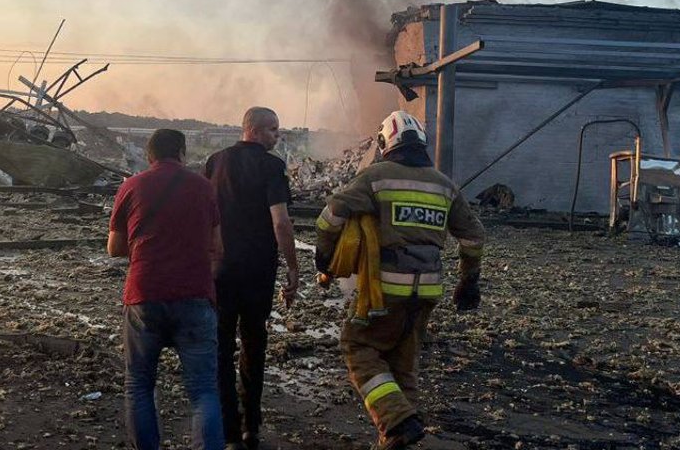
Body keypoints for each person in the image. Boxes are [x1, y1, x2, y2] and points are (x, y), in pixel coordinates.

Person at [315, 110, 486, 450]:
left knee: (358, 345)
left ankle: (397, 420)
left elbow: (332, 214)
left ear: (385, 143)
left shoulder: (375, 177)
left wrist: (325, 258)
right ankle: (398, 438)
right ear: (421, 142)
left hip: (385, 290)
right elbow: (473, 237)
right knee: (402, 366)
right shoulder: (444, 184)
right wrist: (469, 281)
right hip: (427, 292)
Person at [108, 129, 225, 450]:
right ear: (183, 153)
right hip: (195, 296)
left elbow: (114, 247)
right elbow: (218, 249)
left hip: (144, 294)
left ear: (149, 155)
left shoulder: (131, 186)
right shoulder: (204, 188)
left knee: (140, 385)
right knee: (203, 390)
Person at [205, 107, 299, 450]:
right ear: (254, 131)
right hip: (258, 271)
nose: (277, 136)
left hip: (220, 269)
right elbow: (281, 222)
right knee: (254, 344)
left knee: (221, 348)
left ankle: (229, 431)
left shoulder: (215, 162)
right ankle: (251, 427)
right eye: (273, 130)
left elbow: (205, 216)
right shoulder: (272, 166)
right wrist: (292, 266)